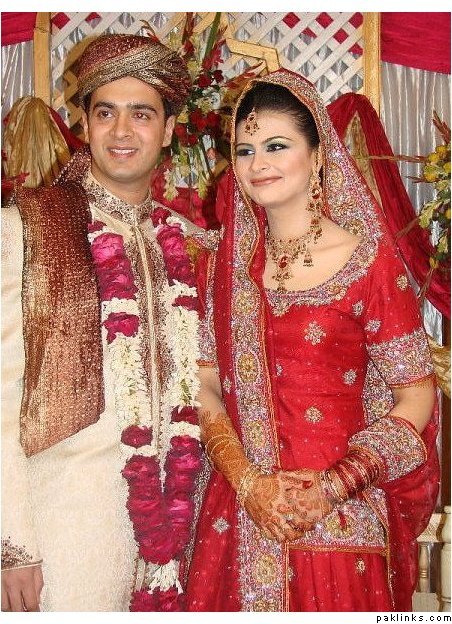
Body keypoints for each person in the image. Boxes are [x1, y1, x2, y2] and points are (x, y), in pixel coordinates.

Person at [185, 69, 439, 612]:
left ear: (319, 154)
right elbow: (203, 385)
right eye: (245, 150)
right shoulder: (221, 266)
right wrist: (249, 483)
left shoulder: (367, 261)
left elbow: (417, 395)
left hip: (337, 517)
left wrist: (334, 486)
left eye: (277, 145)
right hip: (238, 512)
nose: (258, 163)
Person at [2, 33, 206, 612]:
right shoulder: (26, 229)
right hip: (66, 530)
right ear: (85, 124)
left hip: (181, 523)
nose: (122, 132)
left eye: (141, 114)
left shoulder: (190, 242)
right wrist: (13, 543)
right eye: (105, 112)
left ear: (168, 129)